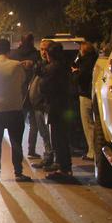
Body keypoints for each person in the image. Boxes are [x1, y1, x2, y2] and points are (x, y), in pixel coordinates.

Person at [0, 38, 32, 182]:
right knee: (16, 143)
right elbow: (22, 81)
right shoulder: (16, 65)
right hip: (14, 110)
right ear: (9, 50)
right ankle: (18, 172)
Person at [40, 41, 74, 179]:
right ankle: (64, 166)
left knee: (58, 138)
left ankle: (63, 169)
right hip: (65, 105)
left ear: (50, 55)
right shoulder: (65, 67)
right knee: (63, 138)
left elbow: (44, 87)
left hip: (55, 106)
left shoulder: (51, 69)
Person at [10, 33, 42, 158]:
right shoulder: (36, 55)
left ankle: (17, 151)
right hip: (34, 93)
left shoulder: (13, 55)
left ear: (21, 42)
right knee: (34, 124)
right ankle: (31, 150)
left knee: (19, 124)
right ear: (32, 42)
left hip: (19, 93)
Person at [28, 39, 55, 168]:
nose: (43, 52)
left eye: (46, 49)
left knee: (47, 133)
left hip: (44, 105)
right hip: (37, 104)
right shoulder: (41, 64)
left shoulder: (49, 66)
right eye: (42, 49)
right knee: (43, 133)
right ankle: (48, 156)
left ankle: (49, 157)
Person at [72, 40, 99, 164]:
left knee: (88, 124)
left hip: (85, 95)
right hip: (92, 95)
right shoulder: (95, 60)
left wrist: (75, 72)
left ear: (83, 50)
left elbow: (81, 78)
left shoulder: (86, 62)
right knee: (92, 124)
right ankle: (93, 150)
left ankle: (92, 152)